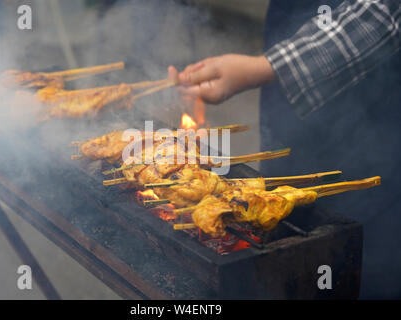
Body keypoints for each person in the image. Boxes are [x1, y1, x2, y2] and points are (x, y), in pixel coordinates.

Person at [168, 0, 401, 298]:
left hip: (370, 115)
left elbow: (382, 11)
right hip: (287, 80)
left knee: (357, 259)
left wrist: (263, 67)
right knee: (277, 232)